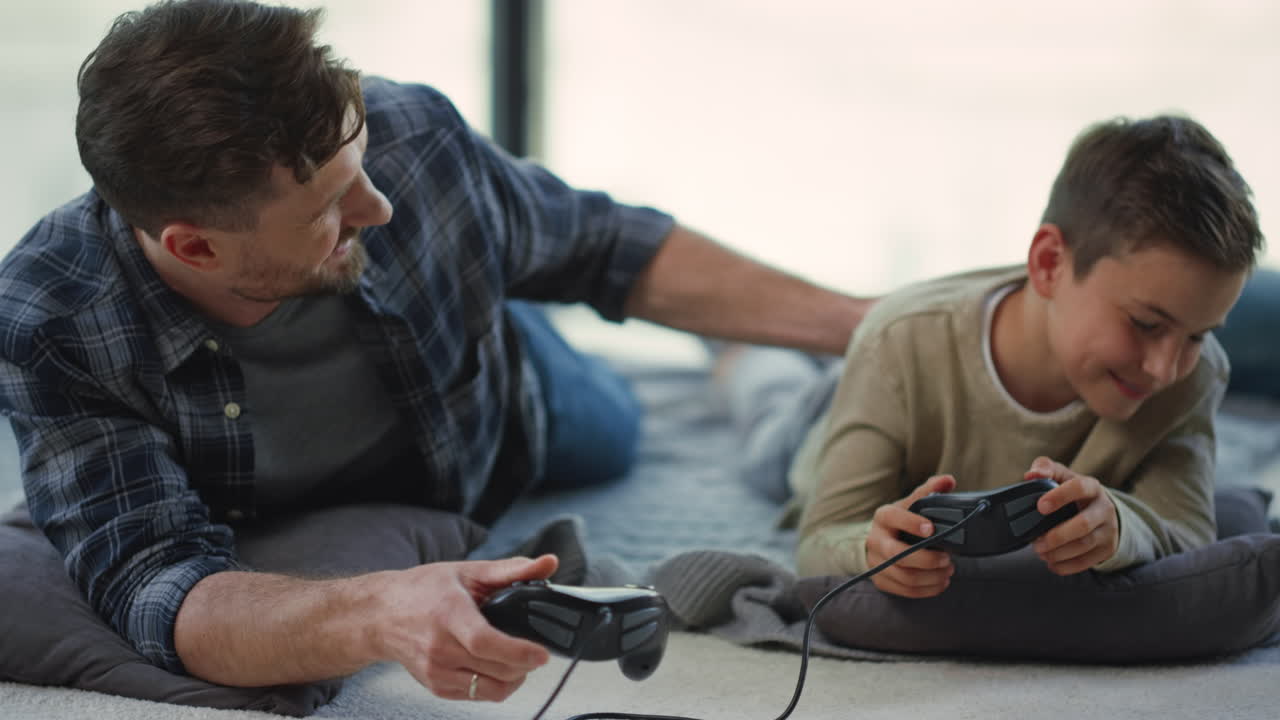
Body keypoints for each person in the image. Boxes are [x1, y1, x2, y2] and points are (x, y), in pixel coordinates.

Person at [0, 0, 873, 704]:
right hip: (287, 487)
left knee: (617, 423)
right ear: (195, 249)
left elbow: (604, 245)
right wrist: (379, 613)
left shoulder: (414, 136)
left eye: (364, 164)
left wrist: (872, 323)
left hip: (497, 401)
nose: (380, 208)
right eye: (330, 208)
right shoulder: (51, 316)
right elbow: (163, 591)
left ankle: (719, 356)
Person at [714, 113, 1264, 600]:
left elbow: (1187, 532)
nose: (1164, 369)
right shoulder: (899, 344)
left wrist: (1120, 526)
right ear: (1049, 264)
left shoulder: (1195, 376)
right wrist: (871, 549)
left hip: (889, 390)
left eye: (1197, 336)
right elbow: (820, 539)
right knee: (772, 403)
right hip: (827, 422)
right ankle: (738, 351)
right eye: (1145, 324)